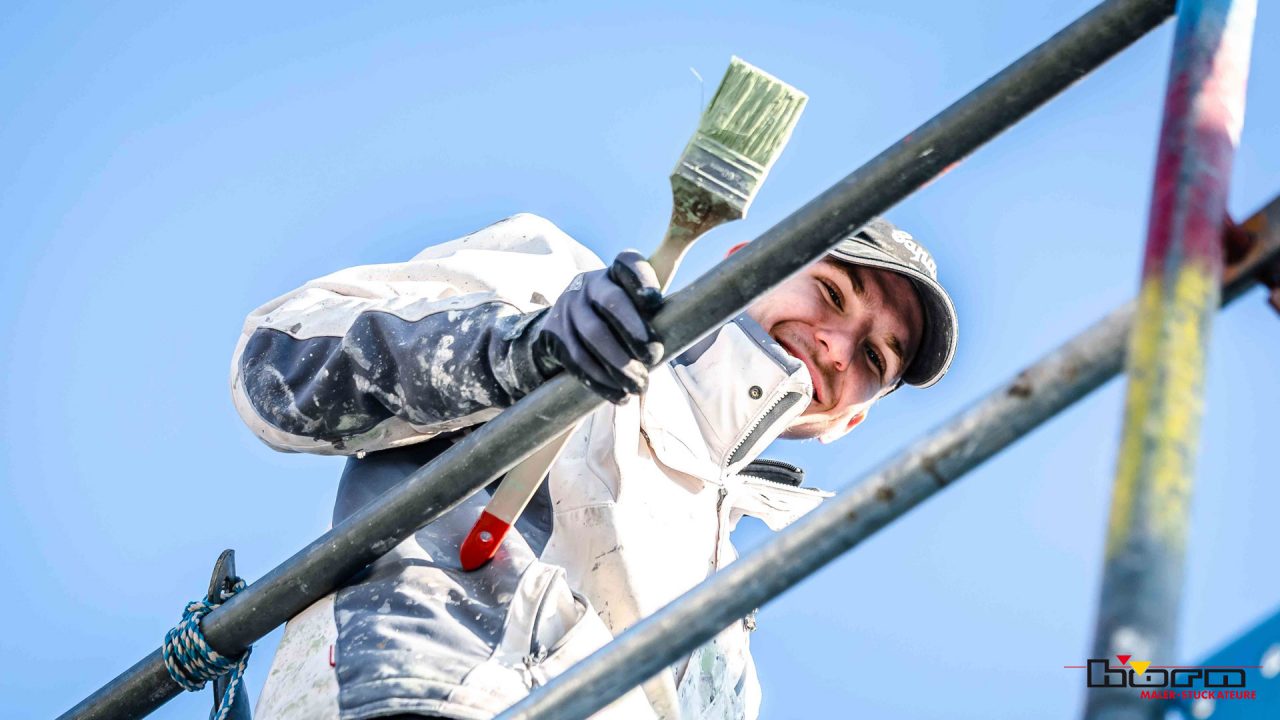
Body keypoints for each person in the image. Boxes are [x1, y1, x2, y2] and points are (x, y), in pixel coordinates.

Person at [233, 212, 957, 720]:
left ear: (852, 419)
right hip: (426, 693)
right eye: (831, 293)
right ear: (745, 268)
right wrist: (522, 350)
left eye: (873, 357)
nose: (836, 347)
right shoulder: (556, 287)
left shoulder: (729, 626)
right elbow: (279, 371)